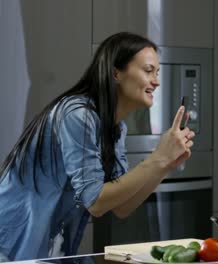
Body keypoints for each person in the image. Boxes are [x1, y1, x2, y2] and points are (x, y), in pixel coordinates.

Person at [0, 32, 195, 261]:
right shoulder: (78, 115)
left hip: (48, 250)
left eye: (157, 73)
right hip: (11, 248)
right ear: (116, 73)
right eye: (148, 70)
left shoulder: (115, 128)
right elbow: (96, 202)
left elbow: (122, 206)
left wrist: (165, 164)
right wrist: (158, 157)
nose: (157, 81)